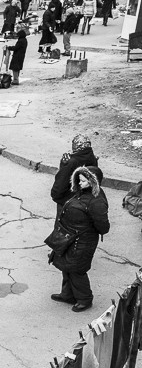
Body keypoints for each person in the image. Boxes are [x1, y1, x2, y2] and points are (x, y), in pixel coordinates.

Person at [50, 166, 109, 313]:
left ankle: (84, 299)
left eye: (83, 180)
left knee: (77, 270)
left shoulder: (96, 201)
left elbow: (103, 227)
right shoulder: (81, 192)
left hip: (83, 241)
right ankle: (68, 295)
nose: (80, 183)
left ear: (92, 181)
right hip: (70, 238)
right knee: (66, 266)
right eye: (79, 180)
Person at [51, 134, 99, 207]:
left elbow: (61, 183)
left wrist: (63, 165)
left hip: (68, 201)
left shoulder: (71, 162)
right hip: (86, 200)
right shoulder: (93, 158)